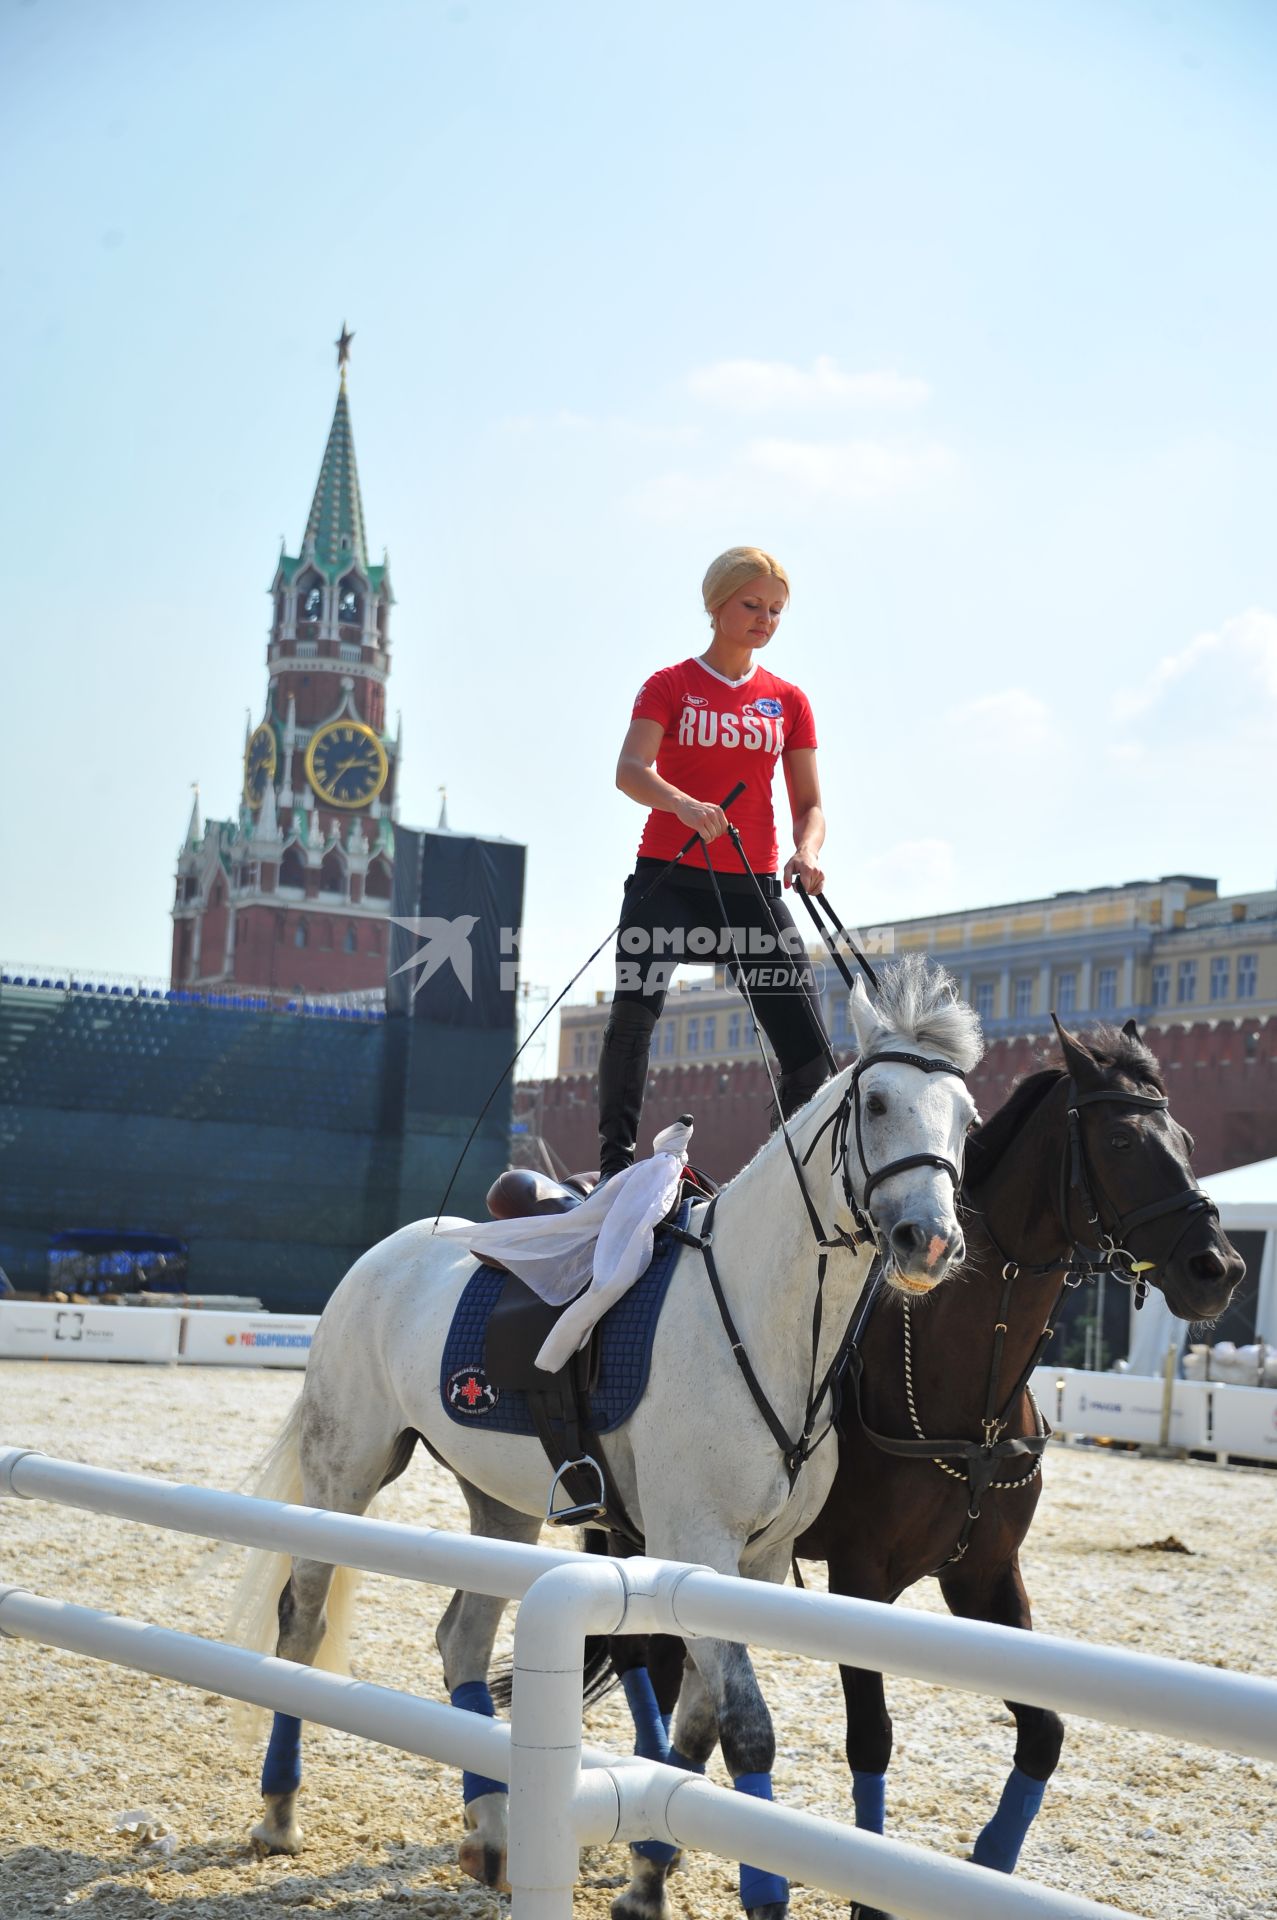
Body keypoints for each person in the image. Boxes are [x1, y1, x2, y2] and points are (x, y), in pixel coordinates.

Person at [597, 545, 833, 1179]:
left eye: (776, 611)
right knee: (632, 1017)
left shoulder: (788, 700)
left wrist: (806, 852)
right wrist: (683, 804)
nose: (764, 619)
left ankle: (786, 1180)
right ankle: (615, 1169)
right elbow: (629, 771)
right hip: (669, 880)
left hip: (752, 887)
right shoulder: (670, 685)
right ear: (717, 605)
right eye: (752, 605)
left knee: (811, 1049)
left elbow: (810, 805)